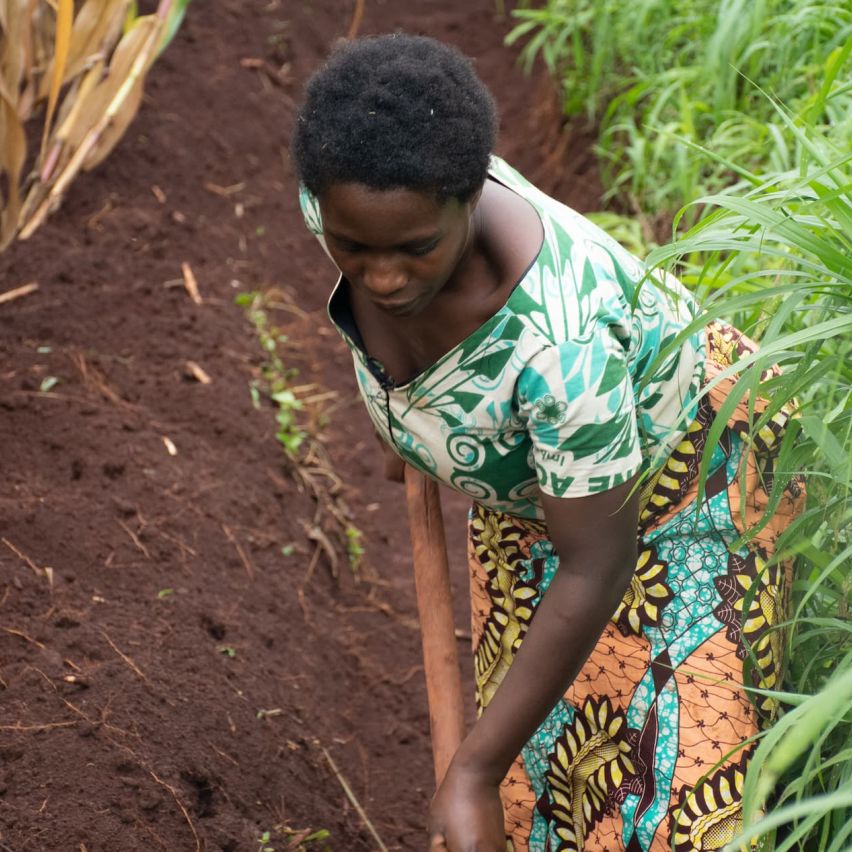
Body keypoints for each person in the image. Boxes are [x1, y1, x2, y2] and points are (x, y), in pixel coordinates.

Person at [291, 34, 803, 852]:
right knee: (545, 760)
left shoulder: (561, 352)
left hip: (687, 488)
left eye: (415, 249)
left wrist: (469, 772)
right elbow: (380, 273)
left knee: (668, 795)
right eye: (357, 250)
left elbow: (595, 563)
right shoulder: (350, 195)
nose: (381, 277)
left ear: (471, 197)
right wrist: (412, 425)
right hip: (546, 493)